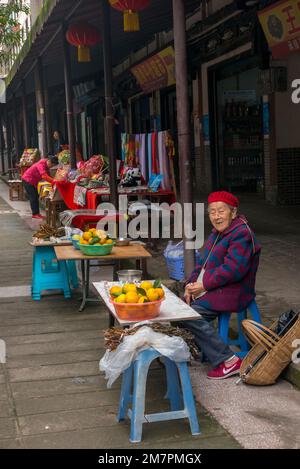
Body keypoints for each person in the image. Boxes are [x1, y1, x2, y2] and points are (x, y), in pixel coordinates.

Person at [180, 191, 261, 380]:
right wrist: (190, 284)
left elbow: (234, 270)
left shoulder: (242, 234)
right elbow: (202, 263)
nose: (216, 216)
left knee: (190, 316)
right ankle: (204, 347)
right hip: (215, 288)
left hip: (234, 291)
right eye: (212, 212)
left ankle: (228, 360)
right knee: (178, 308)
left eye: (221, 211)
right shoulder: (218, 234)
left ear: (233, 213)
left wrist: (204, 286)